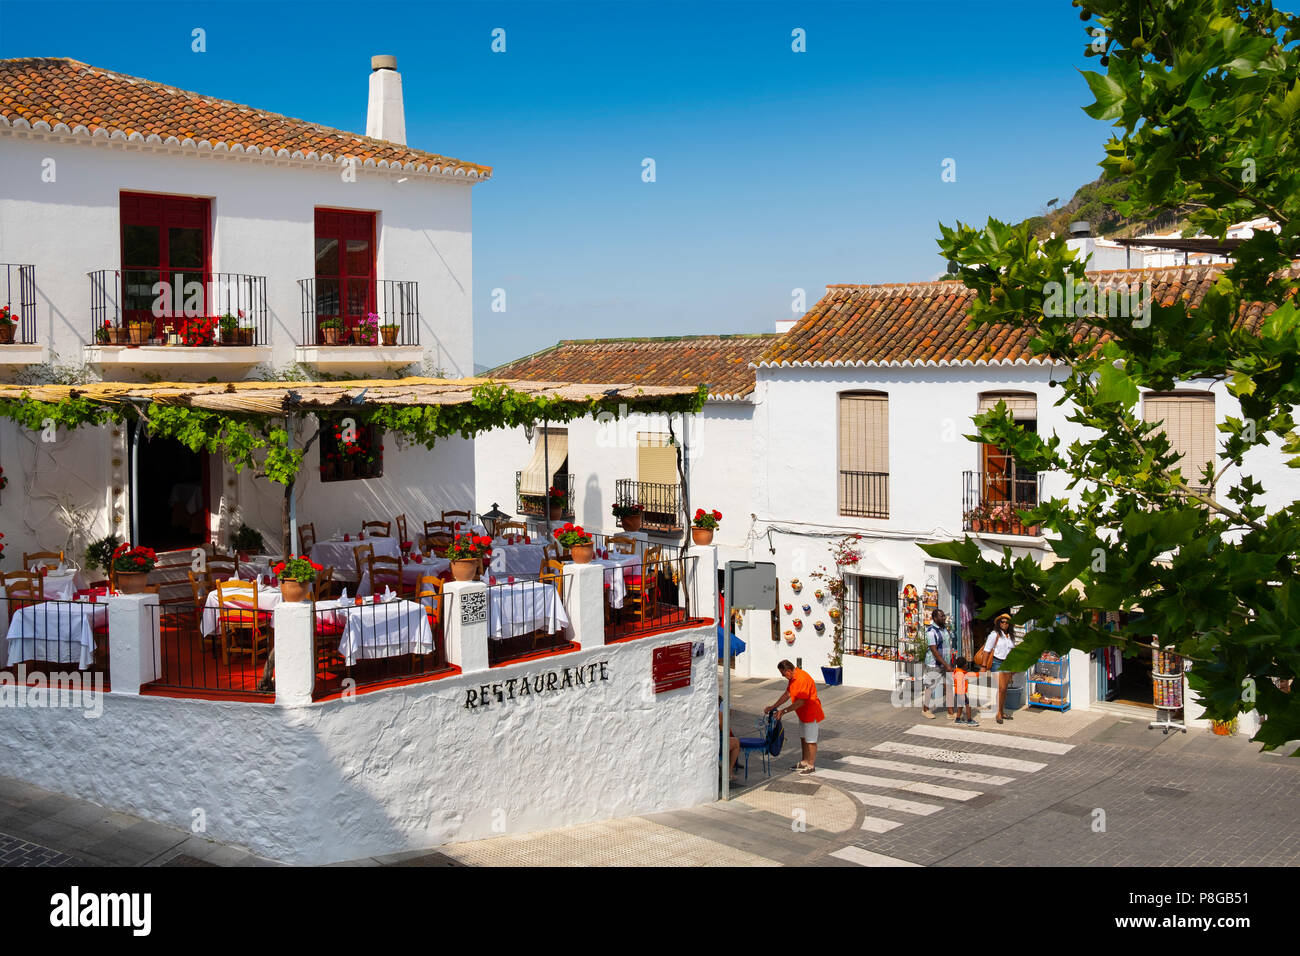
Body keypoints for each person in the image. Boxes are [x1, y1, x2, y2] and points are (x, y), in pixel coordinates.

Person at [764, 660, 825, 774]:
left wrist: (784, 711)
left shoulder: (802, 678)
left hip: (811, 713)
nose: (783, 676)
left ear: (788, 671)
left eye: (783, 674)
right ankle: (804, 762)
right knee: (803, 738)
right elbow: (787, 694)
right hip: (802, 714)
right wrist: (773, 706)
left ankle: (811, 765)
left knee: (811, 740)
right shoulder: (793, 678)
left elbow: (801, 701)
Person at [983, 612, 1019, 724]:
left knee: (1004, 690)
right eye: (1002, 622)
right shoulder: (994, 635)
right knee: (1001, 688)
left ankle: (1001, 711)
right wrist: (983, 666)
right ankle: (998, 713)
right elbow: (986, 650)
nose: (1005, 624)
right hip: (997, 663)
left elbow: (1012, 651)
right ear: (999, 623)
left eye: (1007, 622)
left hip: (1008, 663)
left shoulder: (1010, 636)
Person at [922, 609, 956, 720]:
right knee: (930, 687)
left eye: (944, 616)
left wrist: (950, 662)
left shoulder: (944, 629)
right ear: (935, 618)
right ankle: (925, 709)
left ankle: (950, 712)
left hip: (946, 663)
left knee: (949, 687)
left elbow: (947, 646)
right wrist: (946, 665)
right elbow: (934, 651)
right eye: (941, 616)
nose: (944, 618)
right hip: (934, 665)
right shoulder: (931, 631)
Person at [719, 696, 741, 785]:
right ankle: (729, 771)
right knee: (735, 742)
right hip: (716, 743)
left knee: (731, 740)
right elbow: (725, 730)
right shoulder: (718, 714)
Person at [952, 656, 979, 726]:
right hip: (961, 693)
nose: (967, 664)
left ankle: (958, 719)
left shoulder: (958, 671)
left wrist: (979, 673)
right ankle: (969, 720)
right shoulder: (961, 674)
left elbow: (970, 674)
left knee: (960, 706)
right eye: (966, 663)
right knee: (968, 705)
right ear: (964, 665)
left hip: (957, 693)